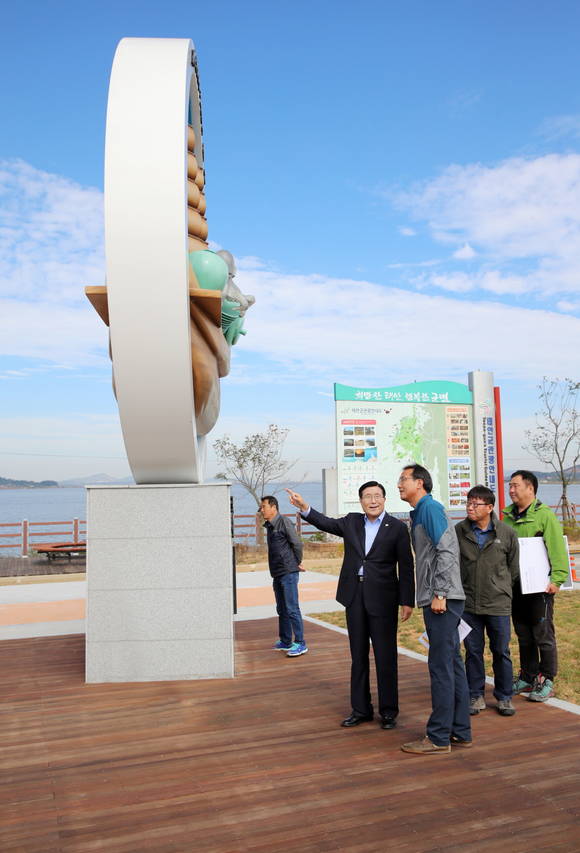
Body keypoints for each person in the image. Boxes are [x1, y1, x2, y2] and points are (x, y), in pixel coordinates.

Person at [286, 482, 414, 730]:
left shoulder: (397, 528)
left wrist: (406, 600)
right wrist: (304, 507)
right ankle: (361, 709)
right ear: (361, 501)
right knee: (358, 656)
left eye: (377, 496)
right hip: (354, 597)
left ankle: (388, 711)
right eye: (368, 497)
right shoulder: (352, 522)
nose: (373, 501)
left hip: (384, 599)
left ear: (385, 499)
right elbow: (326, 523)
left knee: (385, 657)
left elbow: (406, 566)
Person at [397, 463, 472, 755]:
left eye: (404, 479)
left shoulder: (429, 508)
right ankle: (460, 730)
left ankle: (439, 737)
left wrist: (440, 592)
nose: (399, 484)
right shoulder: (421, 511)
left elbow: (447, 549)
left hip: (441, 597)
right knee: (452, 663)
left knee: (440, 666)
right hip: (442, 595)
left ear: (420, 483)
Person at [502, 470, 569, 702]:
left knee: (543, 635)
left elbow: (556, 549)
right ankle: (528, 676)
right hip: (516, 585)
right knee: (523, 634)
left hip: (540, 587)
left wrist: (557, 579)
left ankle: (547, 679)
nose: (511, 490)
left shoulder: (544, 516)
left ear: (530, 488)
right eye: (510, 486)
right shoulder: (507, 517)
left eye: (515, 486)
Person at [455, 485, 519, 717]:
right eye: (469, 503)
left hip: (498, 603)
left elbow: (513, 569)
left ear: (490, 507)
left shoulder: (506, 533)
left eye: (476, 504)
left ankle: (504, 697)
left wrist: (498, 587)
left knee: (501, 650)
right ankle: (476, 694)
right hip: (469, 603)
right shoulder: (459, 531)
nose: (470, 508)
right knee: (473, 651)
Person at [260, 496, 308, 657]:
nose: (262, 510)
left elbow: (297, 543)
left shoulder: (284, 522)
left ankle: (300, 643)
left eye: (264, 507)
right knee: (282, 609)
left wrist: (297, 562)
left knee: (292, 608)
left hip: (288, 571)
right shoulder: (269, 525)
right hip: (277, 573)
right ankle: (286, 641)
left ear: (273, 507)